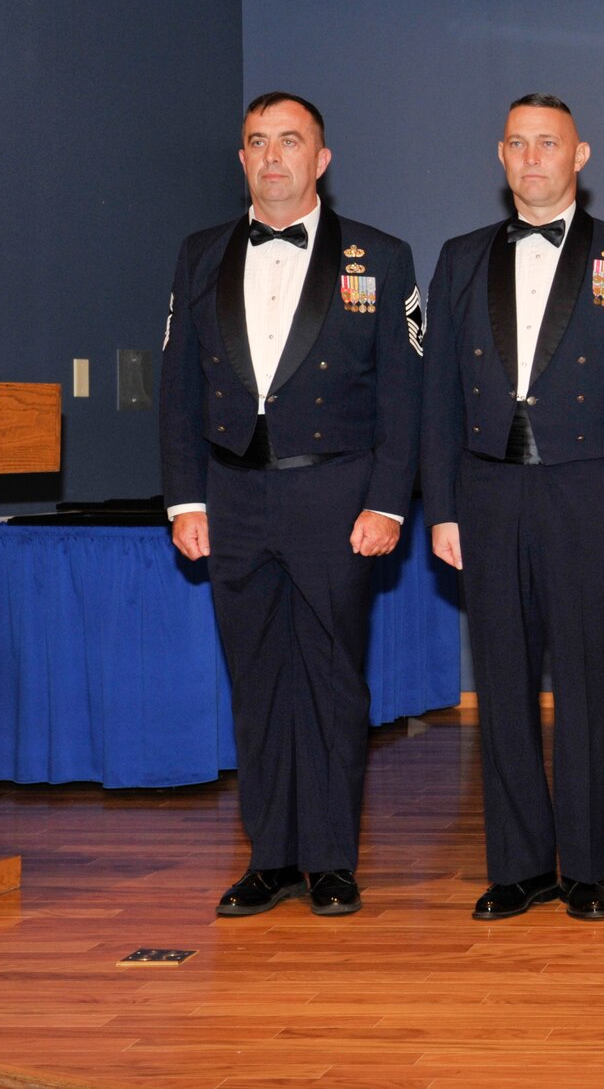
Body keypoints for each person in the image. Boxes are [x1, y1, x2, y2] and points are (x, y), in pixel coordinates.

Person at [420, 94, 604, 922]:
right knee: (501, 686)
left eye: (549, 143)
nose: (532, 156)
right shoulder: (460, 257)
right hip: (487, 495)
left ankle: (584, 866)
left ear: (581, 156)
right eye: (518, 143)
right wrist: (441, 509)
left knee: (585, 686)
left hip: (590, 496)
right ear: (500, 155)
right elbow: (434, 394)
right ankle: (518, 866)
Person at [160, 91, 422, 918]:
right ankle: (270, 856)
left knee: (332, 682)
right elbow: (178, 392)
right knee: (258, 683)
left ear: (322, 159)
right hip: (233, 498)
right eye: (257, 143)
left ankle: (333, 861)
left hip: (336, 498)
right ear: (242, 159)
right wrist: (183, 500)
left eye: (290, 142)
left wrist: (388, 502)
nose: (272, 157)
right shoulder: (199, 254)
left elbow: (403, 398)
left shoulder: (381, 256)